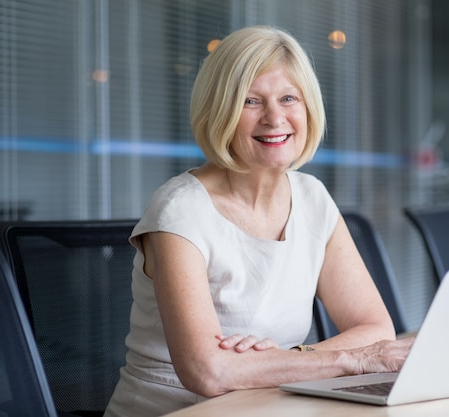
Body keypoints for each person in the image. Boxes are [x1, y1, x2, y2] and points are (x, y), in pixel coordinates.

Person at [104, 25, 414, 417]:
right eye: (251, 101)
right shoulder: (179, 212)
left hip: (267, 405)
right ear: (220, 111)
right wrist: (352, 360)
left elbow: (375, 330)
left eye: (288, 98)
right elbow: (209, 372)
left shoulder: (312, 197)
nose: (274, 118)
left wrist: (286, 359)